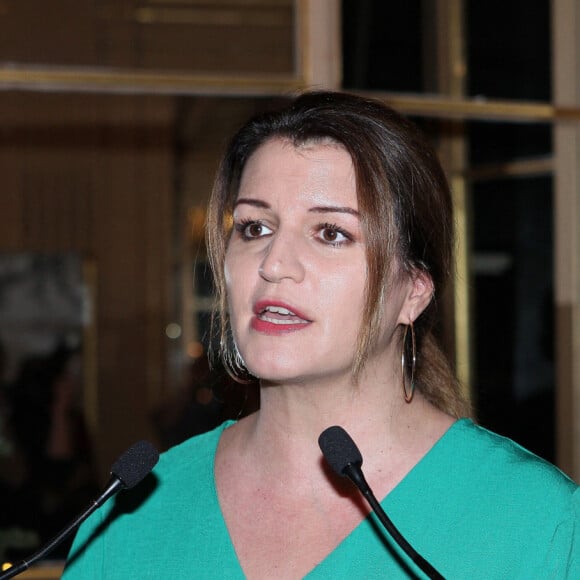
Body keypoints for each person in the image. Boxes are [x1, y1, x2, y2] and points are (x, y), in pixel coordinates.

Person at [62, 91, 578, 579]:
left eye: (331, 233)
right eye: (254, 227)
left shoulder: (537, 523)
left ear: (414, 291)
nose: (274, 264)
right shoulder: (131, 515)